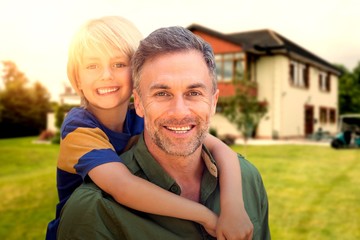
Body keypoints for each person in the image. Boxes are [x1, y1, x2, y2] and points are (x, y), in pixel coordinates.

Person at [46, 16, 253, 239]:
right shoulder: (79, 127)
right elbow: (122, 187)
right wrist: (205, 216)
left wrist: (233, 209)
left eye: (118, 64)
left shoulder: (140, 113)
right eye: (92, 66)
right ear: (77, 79)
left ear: (137, 75)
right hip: (88, 228)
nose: (106, 75)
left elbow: (222, 150)